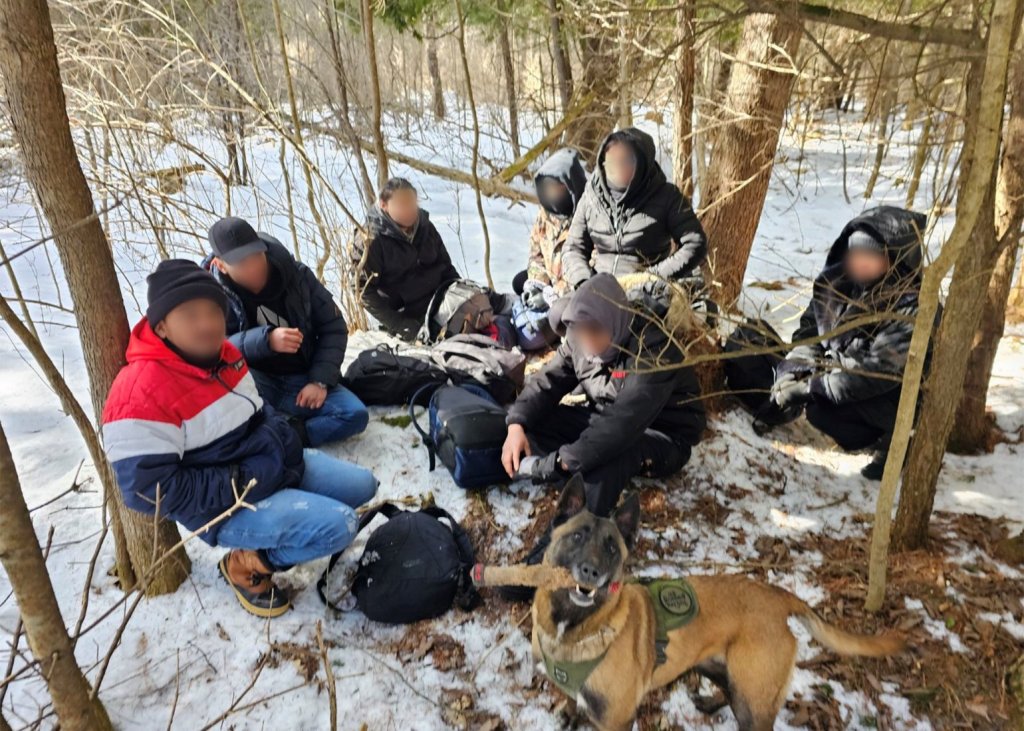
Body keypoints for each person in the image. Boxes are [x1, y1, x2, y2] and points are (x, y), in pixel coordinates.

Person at [101, 260, 378, 617]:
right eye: (190, 315)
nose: (207, 324)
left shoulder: (227, 354)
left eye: (213, 312)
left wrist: (282, 444)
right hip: (230, 504)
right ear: (162, 326)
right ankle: (245, 563)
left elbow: (259, 410)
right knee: (340, 525)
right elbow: (148, 491)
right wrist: (240, 481)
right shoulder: (139, 393)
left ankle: (289, 511)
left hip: (274, 466)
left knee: (363, 485)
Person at [501, 273, 706, 520]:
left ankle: (571, 534)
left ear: (615, 321)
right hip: (605, 414)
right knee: (540, 419)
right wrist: (516, 423)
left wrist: (561, 462)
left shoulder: (652, 350)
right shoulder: (579, 338)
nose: (588, 339)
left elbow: (622, 424)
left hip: (664, 433)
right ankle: (516, 466)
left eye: (596, 330)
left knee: (612, 455)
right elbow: (547, 382)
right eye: (580, 330)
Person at [770, 206, 929, 480]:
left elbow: (877, 372)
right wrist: (794, 371)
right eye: (856, 254)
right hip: (839, 373)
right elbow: (810, 334)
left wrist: (813, 385)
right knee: (814, 405)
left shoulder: (911, 305)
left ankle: (895, 440)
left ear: (892, 259)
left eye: (872, 256)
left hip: (895, 395)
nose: (861, 263)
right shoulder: (837, 286)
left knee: (824, 412)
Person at [205, 217, 367, 448]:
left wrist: (320, 381)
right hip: (255, 381)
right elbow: (212, 349)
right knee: (229, 421)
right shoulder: (209, 294)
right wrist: (265, 340)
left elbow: (333, 326)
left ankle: (287, 435)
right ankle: (273, 430)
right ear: (221, 265)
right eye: (242, 263)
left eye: (256, 257)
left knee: (354, 415)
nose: (253, 268)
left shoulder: (296, 275)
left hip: (302, 377)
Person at [561, 127, 707, 290]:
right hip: (597, 287)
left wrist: (652, 278)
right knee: (557, 313)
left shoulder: (666, 195)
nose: (619, 168)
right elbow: (573, 247)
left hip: (643, 292)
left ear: (643, 161)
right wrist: (583, 281)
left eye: (627, 161)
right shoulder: (592, 195)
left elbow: (695, 244)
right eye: (612, 162)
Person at [352, 177, 461, 341]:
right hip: (406, 316)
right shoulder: (370, 239)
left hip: (440, 302)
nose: (409, 210)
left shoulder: (425, 226)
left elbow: (445, 266)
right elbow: (362, 289)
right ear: (384, 205)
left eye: (412, 204)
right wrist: (398, 324)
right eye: (402, 205)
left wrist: (459, 295)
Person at [517, 148, 587, 299]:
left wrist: (555, 293)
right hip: (551, 279)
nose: (552, 193)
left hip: (576, 290)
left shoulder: (589, 214)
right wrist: (538, 285)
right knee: (519, 282)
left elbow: (590, 270)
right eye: (547, 188)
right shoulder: (545, 214)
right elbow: (536, 256)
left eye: (557, 187)